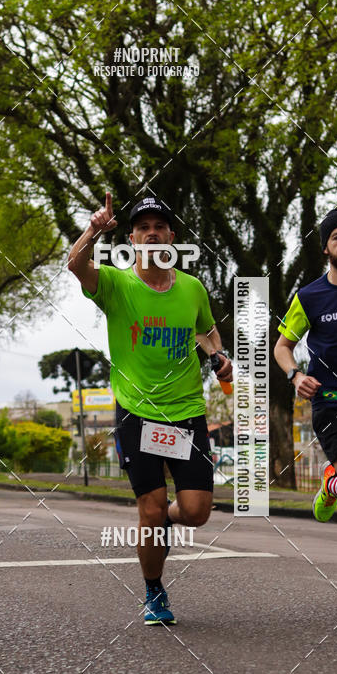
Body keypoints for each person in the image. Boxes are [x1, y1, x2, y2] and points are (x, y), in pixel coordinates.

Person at [68, 193, 232, 625]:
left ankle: (165, 521)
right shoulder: (117, 285)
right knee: (151, 508)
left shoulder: (192, 288)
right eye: (143, 227)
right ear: (133, 239)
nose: (152, 233)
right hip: (137, 413)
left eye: (159, 227)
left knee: (195, 512)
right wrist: (93, 230)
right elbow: (75, 266)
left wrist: (219, 355)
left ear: (172, 238)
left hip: (187, 413)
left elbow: (207, 330)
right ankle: (154, 590)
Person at [274, 207, 337, 522]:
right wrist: (295, 376)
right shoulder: (309, 296)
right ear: (326, 247)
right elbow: (282, 348)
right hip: (330, 401)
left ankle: (332, 483)